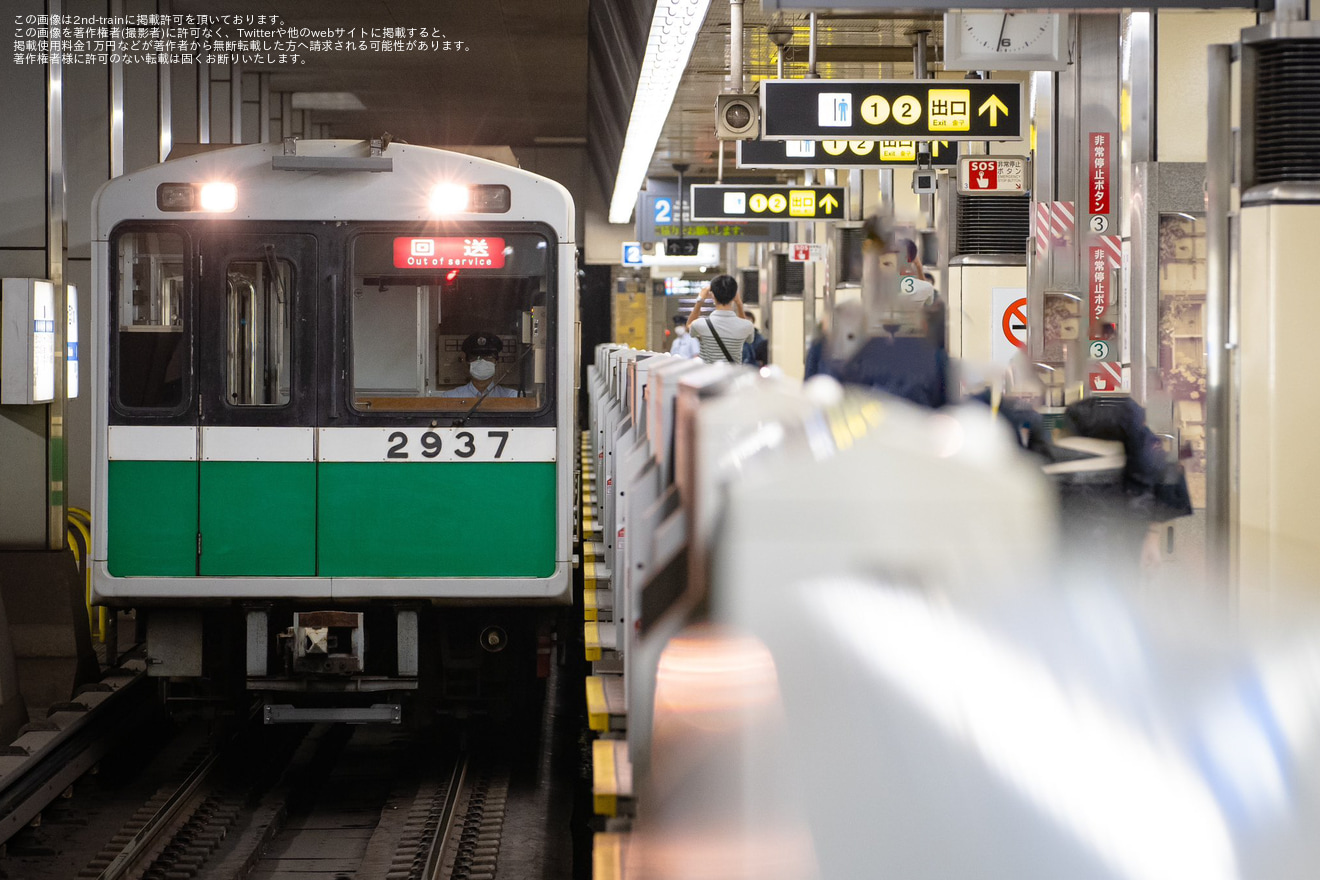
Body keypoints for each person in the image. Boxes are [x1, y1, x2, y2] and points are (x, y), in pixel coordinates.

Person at [686, 274, 754, 365]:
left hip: (708, 378)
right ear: (735, 296)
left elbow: (688, 326)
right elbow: (744, 329)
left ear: (712, 295)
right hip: (733, 378)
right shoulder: (747, 326)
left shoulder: (701, 324)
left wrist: (700, 300)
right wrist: (739, 304)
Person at [440, 332, 519, 398]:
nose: (482, 361)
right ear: (467, 362)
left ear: (496, 362)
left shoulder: (512, 396)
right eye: (476, 357)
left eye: (488, 357)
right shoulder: (450, 397)